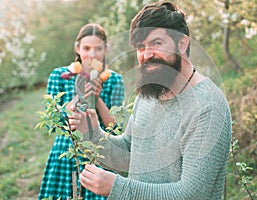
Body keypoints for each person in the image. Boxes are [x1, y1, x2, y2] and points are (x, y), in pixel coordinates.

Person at [69, 2, 232, 200]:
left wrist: (115, 187)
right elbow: (130, 154)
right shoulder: (150, 92)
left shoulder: (208, 106)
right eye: (140, 47)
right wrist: (91, 132)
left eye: (156, 43)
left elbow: (193, 194)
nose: (146, 55)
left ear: (182, 43)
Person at [38, 23, 124, 200]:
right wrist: (81, 92)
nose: (92, 54)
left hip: (100, 153)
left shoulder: (114, 79)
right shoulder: (59, 75)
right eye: (86, 48)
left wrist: (97, 98)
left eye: (98, 49)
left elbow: (114, 127)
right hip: (66, 153)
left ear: (106, 49)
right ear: (77, 48)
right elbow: (55, 125)